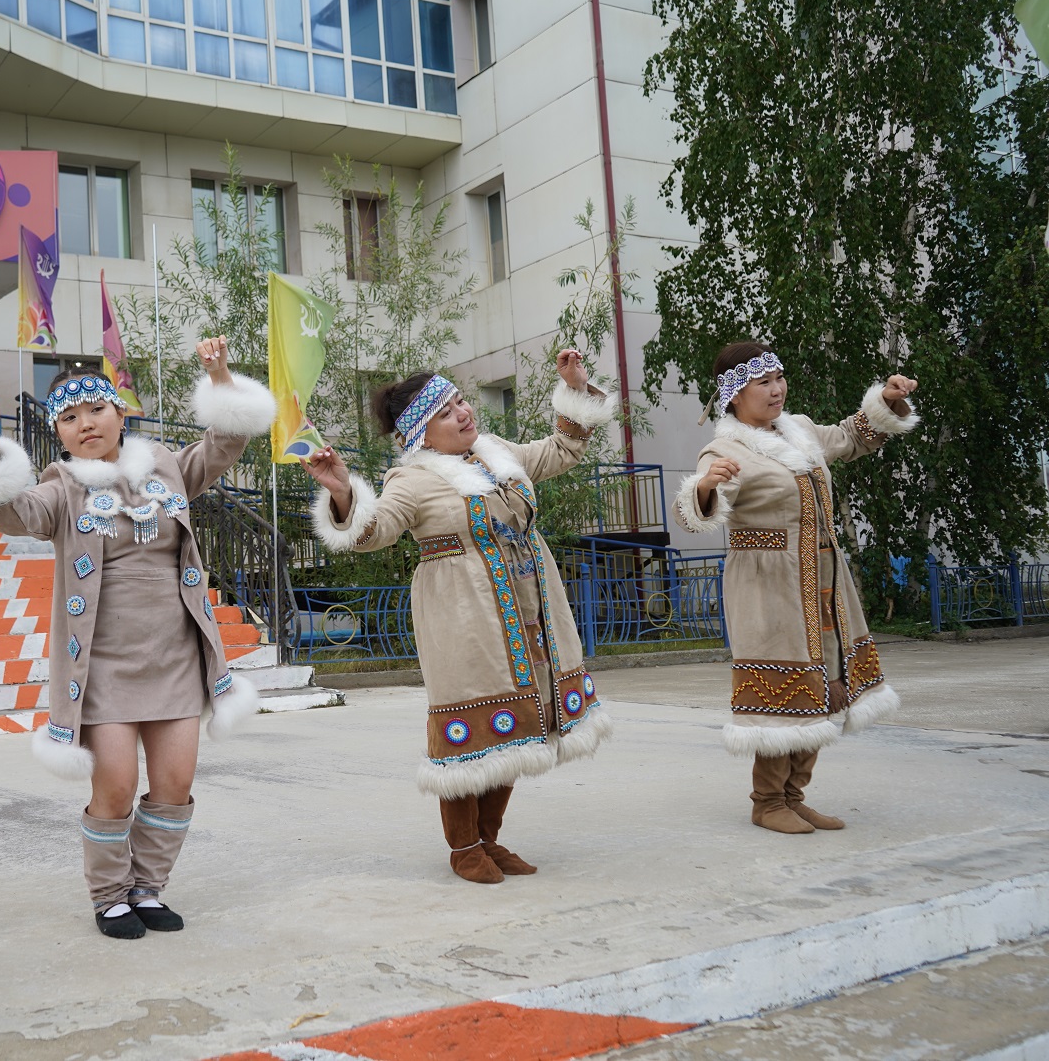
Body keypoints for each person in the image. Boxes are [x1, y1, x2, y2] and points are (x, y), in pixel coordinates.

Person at [0, 338, 275, 938]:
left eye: (95, 410)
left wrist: (221, 374)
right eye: (69, 419)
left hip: (175, 657)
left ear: (121, 414)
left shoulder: (169, 468)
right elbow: (10, 514)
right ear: (60, 435)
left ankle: (149, 889)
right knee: (118, 785)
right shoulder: (61, 489)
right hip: (100, 666)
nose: (84, 425)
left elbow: (226, 443)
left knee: (175, 784)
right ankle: (110, 896)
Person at [300, 352, 617, 883]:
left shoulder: (497, 453)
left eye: (462, 401)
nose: (465, 413)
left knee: (520, 722)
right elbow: (373, 532)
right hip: (462, 617)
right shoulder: (412, 479)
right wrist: (341, 491)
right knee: (473, 725)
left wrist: (576, 388)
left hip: (528, 608)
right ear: (422, 432)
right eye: (447, 412)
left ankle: (490, 840)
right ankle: (463, 846)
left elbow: (563, 450)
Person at [673, 340, 918, 833]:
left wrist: (888, 400)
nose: (776, 389)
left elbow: (852, 436)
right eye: (762, 382)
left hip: (823, 583)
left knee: (829, 685)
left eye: (779, 378)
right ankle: (766, 801)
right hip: (768, 588)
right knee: (783, 689)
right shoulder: (724, 448)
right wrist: (703, 488)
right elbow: (698, 508)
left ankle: (793, 795)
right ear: (734, 395)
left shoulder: (800, 430)